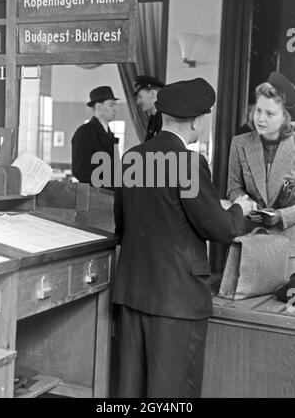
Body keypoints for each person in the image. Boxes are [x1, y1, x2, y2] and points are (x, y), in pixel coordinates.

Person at [113, 78, 254, 398]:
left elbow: (122, 225)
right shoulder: (189, 162)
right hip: (176, 299)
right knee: (173, 392)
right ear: (199, 120)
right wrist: (239, 208)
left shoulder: (132, 158)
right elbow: (219, 229)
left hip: (133, 291)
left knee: (131, 391)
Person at [227, 71, 295, 276]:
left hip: (290, 248)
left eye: (270, 114)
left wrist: (281, 216)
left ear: (285, 117)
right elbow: (233, 187)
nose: (260, 119)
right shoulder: (240, 144)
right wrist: (246, 203)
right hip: (250, 241)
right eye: (258, 111)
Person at [71, 86, 119, 188]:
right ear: (98, 107)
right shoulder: (85, 132)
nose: (115, 110)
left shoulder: (109, 133)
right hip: (95, 195)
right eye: (111, 105)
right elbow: (80, 170)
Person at [134, 75, 165, 140]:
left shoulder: (166, 119)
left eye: (140, 97)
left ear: (153, 93)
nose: (138, 102)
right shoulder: (153, 119)